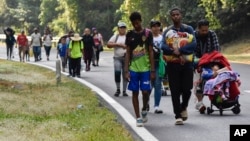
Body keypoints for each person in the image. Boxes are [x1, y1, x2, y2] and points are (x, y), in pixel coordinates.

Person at [161, 7, 196, 125]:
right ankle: (178, 115)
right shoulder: (167, 31)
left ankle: (183, 106)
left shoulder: (188, 29)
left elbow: (194, 44)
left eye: (177, 14)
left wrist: (180, 51)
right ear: (171, 17)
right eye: (173, 15)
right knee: (175, 90)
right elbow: (163, 46)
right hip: (172, 65)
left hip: (187, 64)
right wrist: (172, 52)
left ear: (181, 15)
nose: (176, 16)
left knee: (187, 89)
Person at [124, 12, 155, 127]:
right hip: (134, 69)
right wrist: (126, 70)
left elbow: (151, 51)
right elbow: (127, 52)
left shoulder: (148, 33)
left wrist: (152, 70)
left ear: (141, 21)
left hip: (146, 68)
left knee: (145, 91)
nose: (136, 25)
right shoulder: (129, 34)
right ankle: (138, 117)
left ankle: (144, 108)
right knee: (135, 92)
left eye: (137, 22)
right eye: (133, 23)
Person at [194, 19, 220, 113]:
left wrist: (215, 65)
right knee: (199, 82)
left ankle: (218, 98)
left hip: (211, 60)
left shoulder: (212, 34)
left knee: (215, 77)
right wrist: (198, 63)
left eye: (206, 30)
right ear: (198, 29)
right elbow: (192, 52)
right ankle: (200, 103)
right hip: (198, 61)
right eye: (202, 30)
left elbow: (216, 50)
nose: (205, 32)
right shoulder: (194, 35)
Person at [107, 22, 128, 97]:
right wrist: (118, 44)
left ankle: (124, 90)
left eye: (124, 28)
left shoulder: (128, 36)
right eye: (121, 28)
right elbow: (109, 44)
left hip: (126, 58)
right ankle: (118, 89)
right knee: (117, 72)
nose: (122, 29)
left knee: (125, 74)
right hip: (117, 58)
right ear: (118, 29)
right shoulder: (115, 36)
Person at [149, 20, 164, 114]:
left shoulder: (163, 38)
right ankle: (146, 103)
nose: (156, 28)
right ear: (151, 28)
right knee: (148, 85)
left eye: (157, 26)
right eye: (154, 26)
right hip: (149, 64)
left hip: (159, 63)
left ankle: (156, 106)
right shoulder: (148, 38)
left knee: (158, 84)